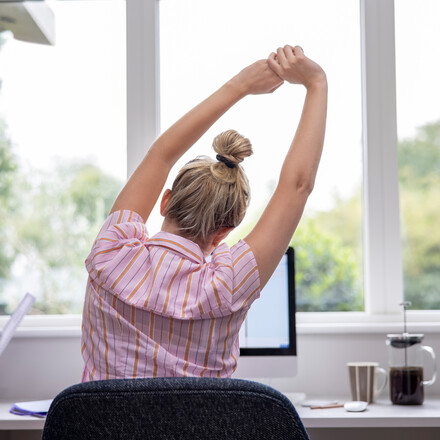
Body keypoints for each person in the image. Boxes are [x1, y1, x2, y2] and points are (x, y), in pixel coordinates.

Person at [81, 45, 327, 381]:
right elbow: (297, 187)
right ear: (225, 230)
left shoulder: (111, 252)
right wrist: (317, 83)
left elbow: (160, 156)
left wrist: (239, 86)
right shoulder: (228, 284)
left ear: (164, 201)